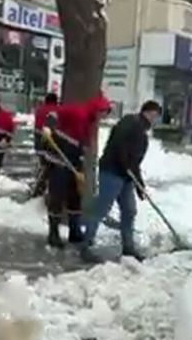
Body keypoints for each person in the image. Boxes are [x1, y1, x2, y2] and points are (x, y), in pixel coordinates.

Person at [81, 100, 162, 263]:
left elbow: (135, 162)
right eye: (155, 116)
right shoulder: (130, 122)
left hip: (126, 176)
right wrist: (125, 165)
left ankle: (128, 248)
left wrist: (140, 186)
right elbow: (119, 146)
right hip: (112, 171)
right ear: (149, 112)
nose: (155, 120)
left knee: (129, 210)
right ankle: (85, 245)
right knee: (102, 208)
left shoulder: (142, 133)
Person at [41, 93, 111, 248]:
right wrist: (47, 126)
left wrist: (84, 155)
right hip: (58, 156)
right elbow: (54, 113)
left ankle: (74, 231)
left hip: (73, 159)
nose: (103, 117)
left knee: (75, 196)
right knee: (57, 195)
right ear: (97, 109)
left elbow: (84, 141)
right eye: (103, 112)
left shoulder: (90, 121)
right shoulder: (77, 111)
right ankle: (53, 233)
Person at [32, 93, 60, 198]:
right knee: (48, 168)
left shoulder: (39, 110)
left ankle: (39, 186)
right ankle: (39, 190)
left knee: (43, 165)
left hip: (38, 142)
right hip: (49, 144)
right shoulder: (56, 111)